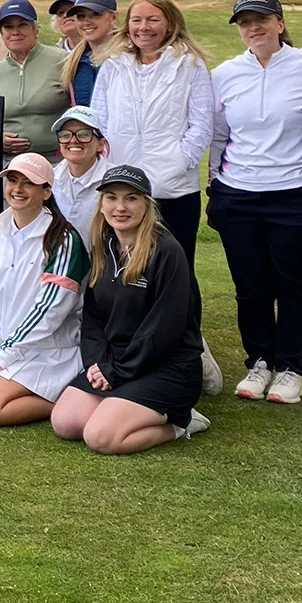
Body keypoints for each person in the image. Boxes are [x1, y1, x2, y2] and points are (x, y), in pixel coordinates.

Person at [91, 0, 221, 393]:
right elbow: (100, 121)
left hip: (171, 189)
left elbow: (202, 125)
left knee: (176, 276)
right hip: (123, 190)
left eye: (152, 20)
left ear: (170, 23)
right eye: (136, 20)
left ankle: (193, 354)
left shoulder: (190, 65)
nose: (143, 27)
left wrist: (177, 162)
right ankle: (129, 352)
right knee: (125, 274)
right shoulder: (113, 65)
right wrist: (113, 171)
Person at [208, 0, 302, 404]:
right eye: (244, 22)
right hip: (238, 193)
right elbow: (219, 135)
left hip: (298, 192)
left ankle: (290, 367)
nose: (253, 28)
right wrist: (215, 185)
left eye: (261, 19)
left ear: (279, 23)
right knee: (250, 285)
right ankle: (259, 361)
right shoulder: (225, 73)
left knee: (292, 284)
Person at [50, 166, 211, 454]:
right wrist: (97, 364)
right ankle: (124, 404)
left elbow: (163, 329)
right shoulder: (104, 246)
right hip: (116, 362)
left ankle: (181, 422)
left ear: (147, 205)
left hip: (165, 366)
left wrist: (118, 372)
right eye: (111, 198)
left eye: (131, 198)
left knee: (101, 437)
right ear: (101, 204)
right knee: (66, 422)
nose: (120, 207)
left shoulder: (166, 251)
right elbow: (93, 319)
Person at [0, 153, 89, 427]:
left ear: (46, 192)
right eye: (12, 180)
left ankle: (62, 397)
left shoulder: (64, 240)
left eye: (29, 183)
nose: (18, 189)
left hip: (45, 350)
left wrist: (2, 359)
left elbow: (49, 312)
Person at [0, 0, 69, 162]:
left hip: (57, 161)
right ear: (1, 33)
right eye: (8, 26)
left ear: (35, 29)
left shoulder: (63, 61)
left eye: (22, 24)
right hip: (10, 165)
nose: (15, 31)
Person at [50, 104, 110, 248]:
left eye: (84, 134)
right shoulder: (48, 179)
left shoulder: (115, 181)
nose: (73, 140)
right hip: (57, 266)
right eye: (65, 134)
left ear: (100, 145)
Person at [60, 0, 118, 106]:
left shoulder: (128, 57)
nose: (87, 21)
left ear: (113, 17)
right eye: (81, 16)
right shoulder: (72, 62)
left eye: (96, 14)